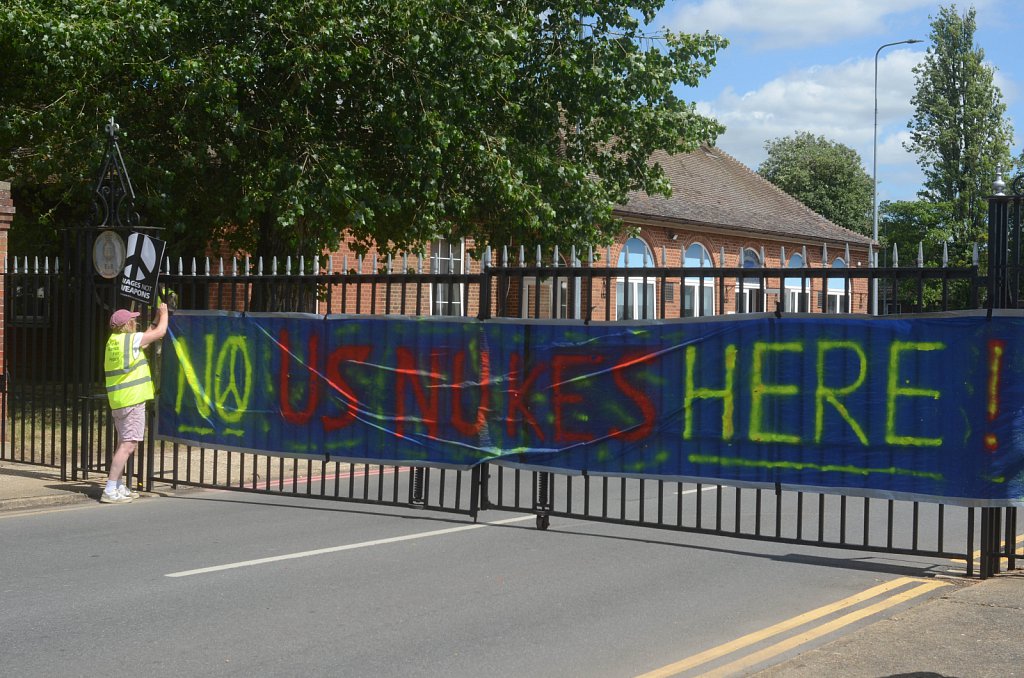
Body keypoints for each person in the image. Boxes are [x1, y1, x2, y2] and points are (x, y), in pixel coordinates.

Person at [101, 302, 168, 504]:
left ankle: (118, 485)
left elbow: (145, 341)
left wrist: (155, 319)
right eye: (133, 320)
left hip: (120, 400)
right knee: (128, 445)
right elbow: (160, 333)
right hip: (133, 400)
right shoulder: (131, 340)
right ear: (126, 325)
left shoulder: (114, 341)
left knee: (124, 442)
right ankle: (110, 489)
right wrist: (164, 313)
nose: (135, 322)